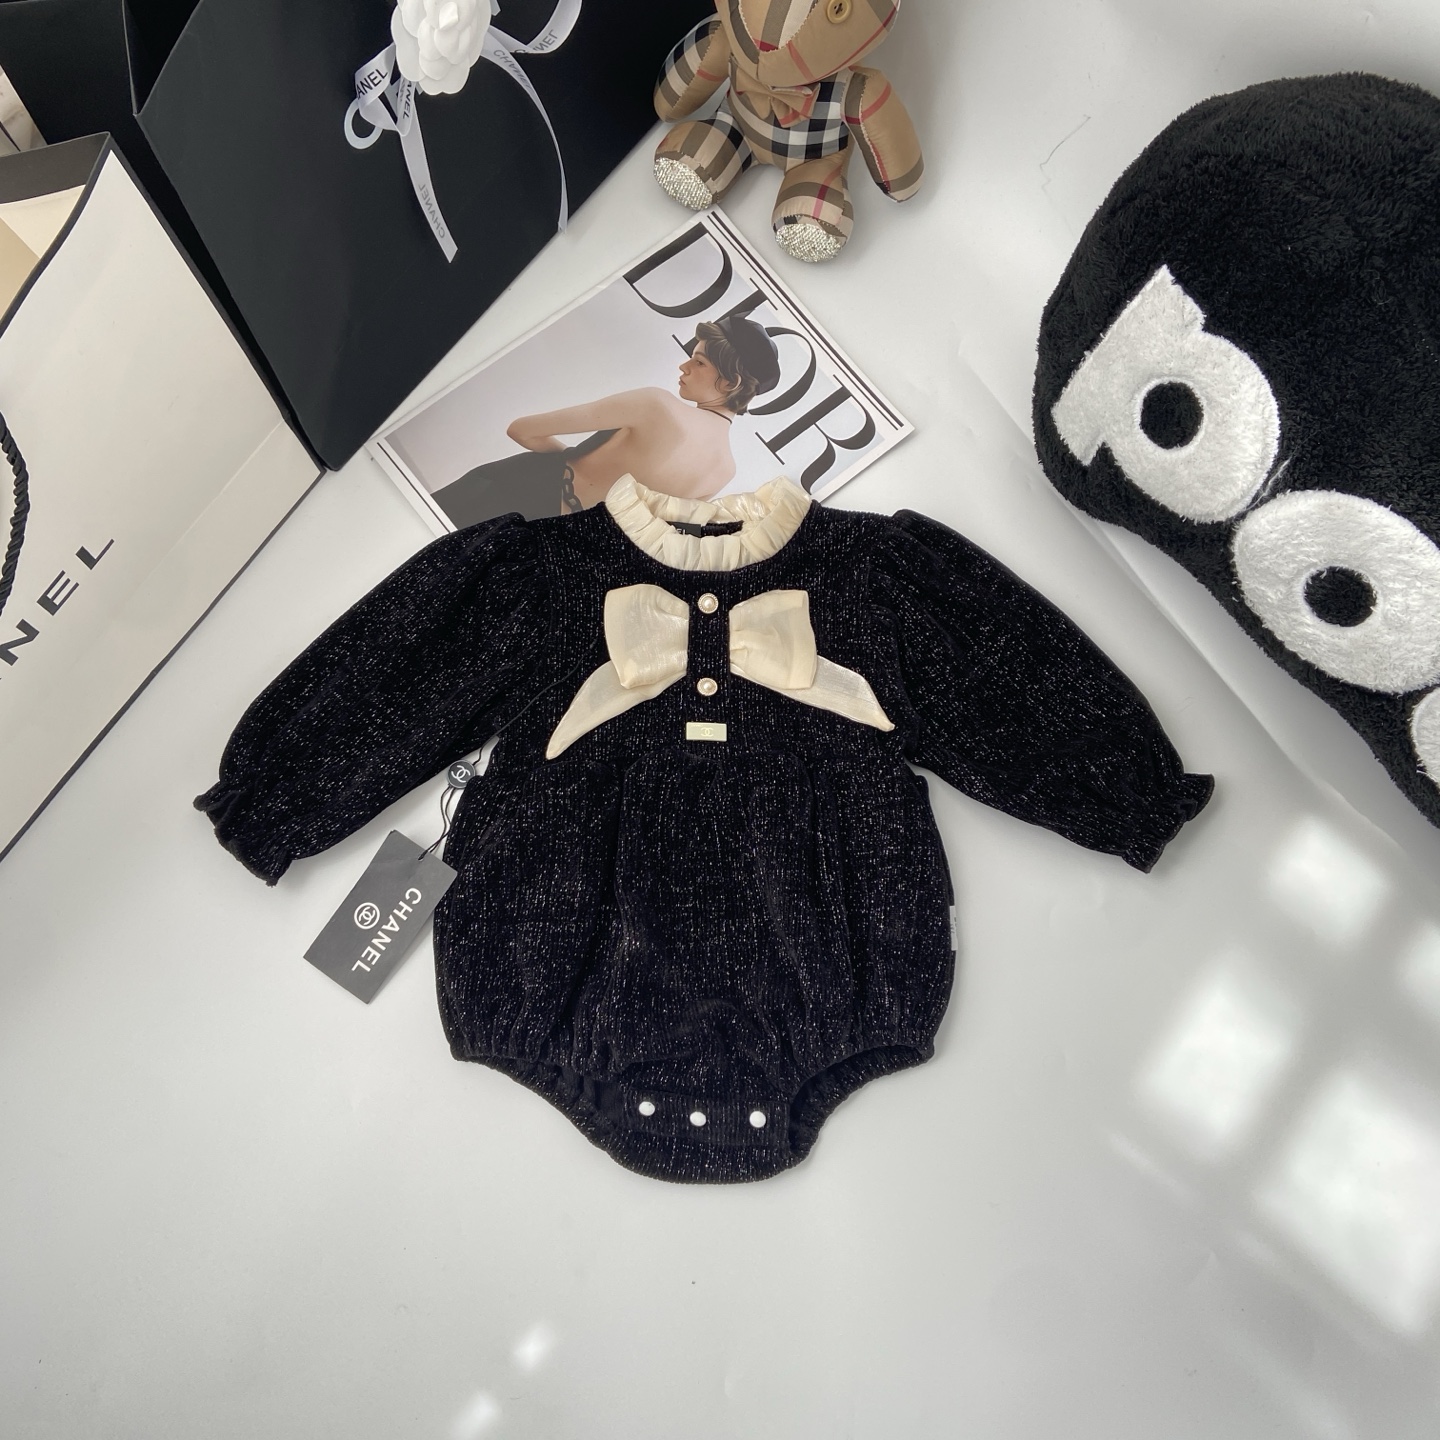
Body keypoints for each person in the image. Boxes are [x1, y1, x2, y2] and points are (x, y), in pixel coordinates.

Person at [432, 316, 781, 526]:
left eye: (699, 362)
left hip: (509, 494)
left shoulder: (657, 406)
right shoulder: (724, 471)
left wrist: (575, 460)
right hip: (550, 549)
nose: (684, 366)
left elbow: (522, 430)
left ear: (731, 383)